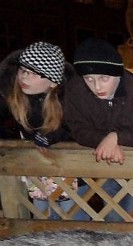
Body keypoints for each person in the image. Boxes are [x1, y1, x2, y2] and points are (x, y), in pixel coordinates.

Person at [64, 37, 133, 222]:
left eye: (104, 78)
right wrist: (105, 141)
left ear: (118, 74)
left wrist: (116, 136)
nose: (97, 86)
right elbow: (77, 127)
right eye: (89, 79)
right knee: (111, 216)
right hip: (105, 162)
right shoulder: (76, 89)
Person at [0, 41, 84, 219]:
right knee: (41, 220)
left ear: (53, 82)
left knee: (72, 222)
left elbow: (75, 124)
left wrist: (52, 135)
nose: (24, 78)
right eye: (23, 70)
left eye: (33, 74)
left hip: (68, 170)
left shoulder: (68, 98)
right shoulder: (15, 96)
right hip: (36, 169)